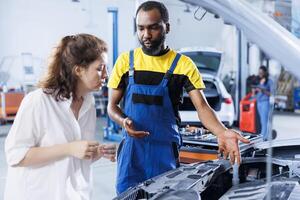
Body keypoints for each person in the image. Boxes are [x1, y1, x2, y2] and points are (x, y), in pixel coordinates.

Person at [107, 1, 250, 194]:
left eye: (153, 27)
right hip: (132, 152)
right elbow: (112, 106)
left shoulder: (183, 65)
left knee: (166, 196)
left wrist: (222, 132)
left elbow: (202, 107)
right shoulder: (125, 61)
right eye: (141, 28)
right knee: (126, 196)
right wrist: (122, 120)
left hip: (165, 151)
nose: (146, 35)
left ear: (167, 27)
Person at [4, 34, 116, 200]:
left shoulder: (88, 105)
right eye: (100, 68)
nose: (106, 74)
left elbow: (73, 158)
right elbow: (16, 155)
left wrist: (95, 152)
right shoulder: (39, 101)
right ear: (78, 70)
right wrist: (69, 148)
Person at [252, 65, 273, 141]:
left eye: (261, 72)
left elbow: (272, 93)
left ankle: (263, 138)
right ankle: (264, 136)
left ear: (265, 72)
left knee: (264, 121)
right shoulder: (258, 81)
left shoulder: (269, 81)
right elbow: (254, 94)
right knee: (261, 120)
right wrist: (254, 91)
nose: (260, 74)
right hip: (259, 102)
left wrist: (263, 91)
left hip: (265, 102)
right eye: (259, 72)